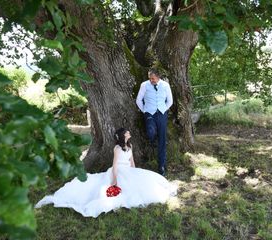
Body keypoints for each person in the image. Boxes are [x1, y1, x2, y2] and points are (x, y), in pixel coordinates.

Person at [35, 128, 177, 218]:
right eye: (127, 132)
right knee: (120, 186)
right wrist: (114, 179)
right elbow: (115, 164)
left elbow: (132, 161)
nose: (129, 133)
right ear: (123, 136)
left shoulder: (130, 145)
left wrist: (136, 171)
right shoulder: (117, 148)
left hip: (128, 169)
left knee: (144, 179)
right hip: (119, 170)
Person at [136, 68, 173, 176]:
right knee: (151, 132)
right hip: (149, 113)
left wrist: (163, 109)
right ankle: (152, 140)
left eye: (152, 78)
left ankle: (161, 166)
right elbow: (138, 100)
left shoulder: (165, 85)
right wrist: (145, 111)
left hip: (162, 113)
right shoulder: (144, 85)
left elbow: (170, 101)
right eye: (149, 78)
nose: (151, 80)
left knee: (162, 139)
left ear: (158, 77)